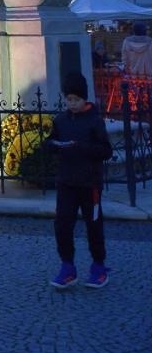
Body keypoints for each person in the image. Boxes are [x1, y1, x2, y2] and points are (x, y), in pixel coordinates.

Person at [45, 72, 113, 290]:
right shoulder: (61, 120)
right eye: (69, 99)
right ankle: (67, 266)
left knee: (94, 225)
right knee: (62, 224)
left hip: (89, 183)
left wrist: (82, 147)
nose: (71, 103)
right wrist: (49, 146)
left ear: (84, 99)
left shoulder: (95, 121)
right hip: (66, 181)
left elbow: (106, 151)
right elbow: (52, 140)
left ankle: (98, 266)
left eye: (75, 99)